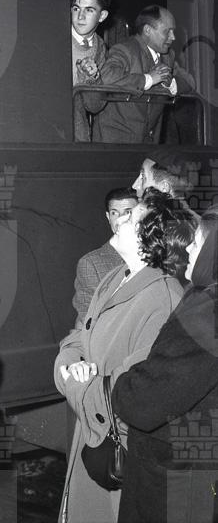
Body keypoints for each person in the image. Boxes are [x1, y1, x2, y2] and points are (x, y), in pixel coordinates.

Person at [54, 189, 196, 523]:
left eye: (132, 218)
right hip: (91, 434)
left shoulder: (163, 298)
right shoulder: (114, 277)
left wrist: (77, 384)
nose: (120, 221)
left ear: (150, 238)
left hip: (119, 451)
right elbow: (78, 336)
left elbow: (135, 390)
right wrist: (69, 366)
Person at [111, 206, 218, 523]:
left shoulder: (207, 310)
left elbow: (144, 403)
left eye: (198, 242)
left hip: (174, 476)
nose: (190, 248)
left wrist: (123, 381)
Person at [90, 5, 195, 143]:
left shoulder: (168, 56)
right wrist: (149, 79)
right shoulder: (124, 50)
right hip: (115, 143)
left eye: (173, 31)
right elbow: (107, 76)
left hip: (149, 144)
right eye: (167, 31)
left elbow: (190, 82)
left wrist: (171, 84)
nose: (173, 37)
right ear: (147, 30)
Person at [72, 187, 138, 324]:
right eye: (114, 213)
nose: (120, 219)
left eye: (128, 212)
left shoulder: (156, 257)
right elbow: (89, 321)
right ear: (108, 217)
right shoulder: (91, 264)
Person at [71, 0, 110, 141]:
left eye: (89, 10)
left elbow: (95, 106)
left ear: (102, 16)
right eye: (76, 9)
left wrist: (92, 78)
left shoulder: (100, 47)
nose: (80, 17)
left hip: (77, 133)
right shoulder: (53, 36)